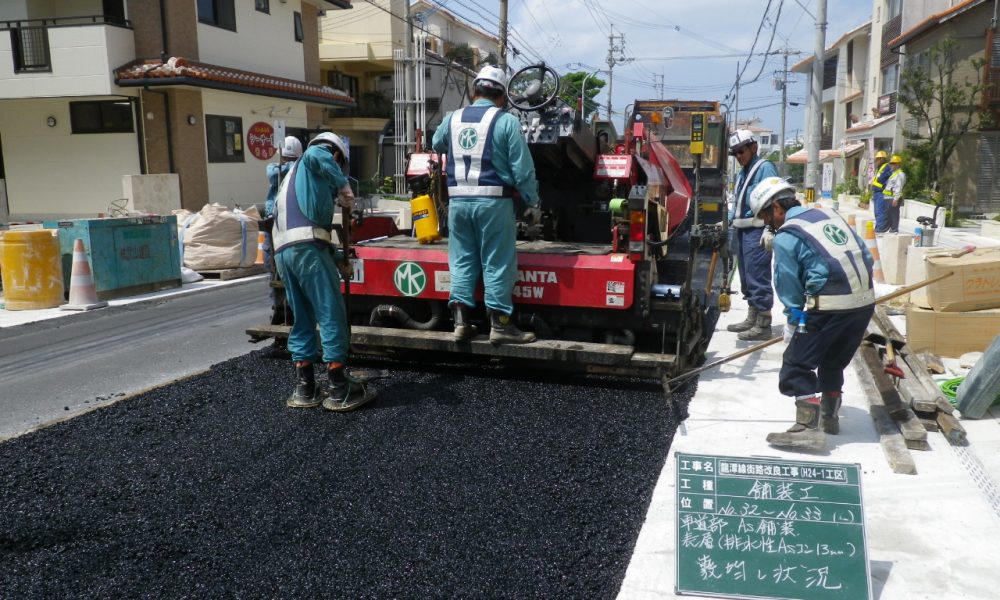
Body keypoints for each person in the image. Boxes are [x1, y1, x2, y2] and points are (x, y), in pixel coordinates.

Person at [748, 177, 875, 450]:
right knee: (832, 360)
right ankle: (830, 416)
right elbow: (866, 254)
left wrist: (795, 322)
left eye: (767, 217)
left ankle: (807, 427)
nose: (769, 224)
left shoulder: (787, 235)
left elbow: (788, 285)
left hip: (829, 306)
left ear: (777, 207)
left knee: (797, 362)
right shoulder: (827, 214)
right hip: (864, 304)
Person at [432, 65, 540, 344]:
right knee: (497, 261)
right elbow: (522, 170)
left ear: (473, 92)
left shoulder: (453, 119)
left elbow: (437, 143)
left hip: (458, 204)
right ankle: (501, 326)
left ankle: (461, 324)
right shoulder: (506, 122)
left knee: (462, 259)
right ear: (502, 96)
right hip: (494, 203)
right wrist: (532, 200)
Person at [272, 132, 374, 412]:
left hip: (285, 252)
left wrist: (339, 257)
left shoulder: (290, 179)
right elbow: (318, 155)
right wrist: (343, 185)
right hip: (307, 250)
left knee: (302, 317)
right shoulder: (313, 156)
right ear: (336, 155)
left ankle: (305, 387)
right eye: (338, 165)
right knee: (331, 312)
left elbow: (307, 232)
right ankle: (339, 387)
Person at [726, 129, 779, 341]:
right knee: (746, 278)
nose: (739, 156)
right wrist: (728, 221)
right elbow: (738, 202)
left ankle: (763, 323)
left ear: (753, 147)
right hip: (742, 230)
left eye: (741, 151)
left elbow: (774, 200)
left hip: (757, 230)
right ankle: (753, 316)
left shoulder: (764, 168)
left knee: (758, 276)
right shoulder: (742, 173)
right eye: (735, 153)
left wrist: (770, 228)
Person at [263, 136, 303, 328]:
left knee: (288, 268)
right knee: (273, 267)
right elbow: (272, 174)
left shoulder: (299, 172)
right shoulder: (275, 170)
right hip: (274, 222)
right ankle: (279, 307)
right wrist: (288, 165)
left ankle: (293, 309)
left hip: (291, 224)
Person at [266, 136, 303, 217]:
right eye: (285, 158)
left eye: (292, 159)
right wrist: (293, 164)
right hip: (275, 212)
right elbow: (272, 175)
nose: (285, 160)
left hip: (294, 211)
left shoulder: (301, 169)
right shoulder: (273, 168)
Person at [870, 150, 893, 233]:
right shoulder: (879, 168)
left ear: (882, 159)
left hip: (881, 193)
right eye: (877, 159)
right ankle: (878, 227)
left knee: (880, 211)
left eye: (878, 159)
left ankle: (881, 229)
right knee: (877, 212)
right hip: (876, 193)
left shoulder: (887, 167)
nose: (877, 161)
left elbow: (889, 179)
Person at [882, 155, 906, 233]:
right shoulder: (894, 173)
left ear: (898, 164)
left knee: (894, 214)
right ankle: (890, 229)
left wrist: (896, 199)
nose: (892, 165)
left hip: (892, 198)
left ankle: (894, 229)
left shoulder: (900, 174)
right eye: (891, 163)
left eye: (894, 164)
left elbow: (898, 187)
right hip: (888, 197)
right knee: (889, 214)